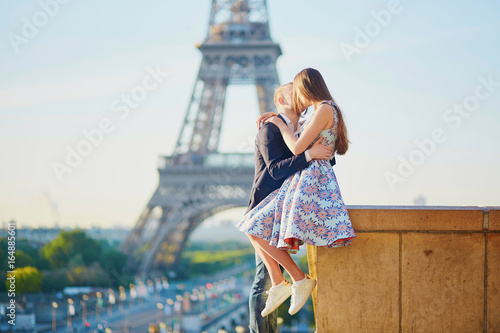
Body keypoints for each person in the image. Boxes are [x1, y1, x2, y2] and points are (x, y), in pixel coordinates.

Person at [237, 68, 356, 318]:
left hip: (308, 181)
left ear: (306, 87)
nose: (299, 98)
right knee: (253, 231)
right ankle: (284, 283)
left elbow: (298, 146)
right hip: (292, 184)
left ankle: (292, 281)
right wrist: (279, 118)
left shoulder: (323, 109)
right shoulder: (321, 111)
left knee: (253, 231)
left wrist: (281, 122)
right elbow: (302, 139)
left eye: (298, 90)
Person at [243, 82, 335, 333]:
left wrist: (318, 150)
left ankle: (290, 283)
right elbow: (274, 170)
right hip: (266, 205)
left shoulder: (304, 128)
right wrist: (307, 154)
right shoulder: (270, 130)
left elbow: (328, 155)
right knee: (263, 280)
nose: (300, 96)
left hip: (288, 206)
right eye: (293, 93)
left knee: (272, 280)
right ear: (281, 101)